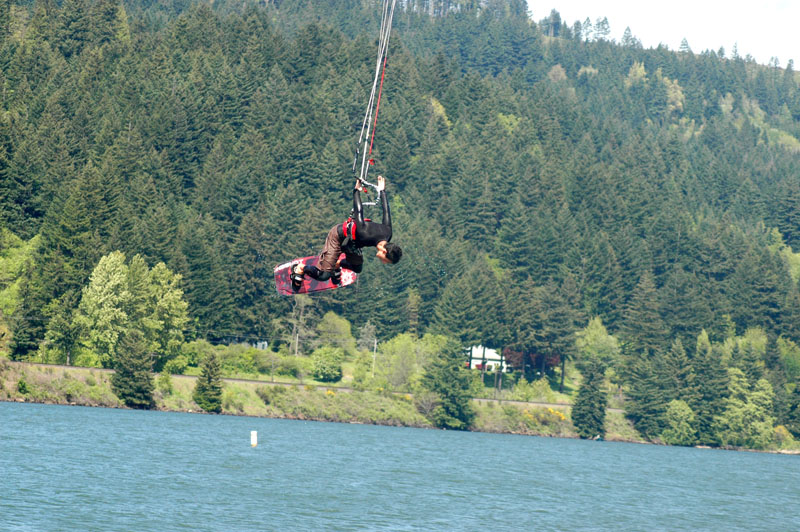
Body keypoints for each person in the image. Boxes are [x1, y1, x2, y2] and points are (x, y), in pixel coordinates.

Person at [291, 175, 402, 289]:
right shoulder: (365, 233)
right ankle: (300, 268)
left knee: (357, 268)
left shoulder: (388, 234)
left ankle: (336, 264)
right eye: (386, 261)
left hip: (351, 243)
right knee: (323, 275)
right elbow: (359, 211)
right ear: (384, 251)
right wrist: (356, 191)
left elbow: (386, 212)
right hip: (338, 237)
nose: (384, 263)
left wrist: (383, 191)